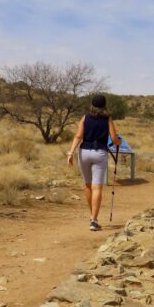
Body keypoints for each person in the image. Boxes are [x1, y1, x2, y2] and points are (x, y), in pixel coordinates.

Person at [67, 93, 122, 230]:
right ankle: (94, 220)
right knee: (97, 187)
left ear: (92, 104)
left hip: (84, 152)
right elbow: (114, 139)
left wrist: (71, 152)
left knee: (88, 185)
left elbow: (78, 136)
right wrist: (119, 142)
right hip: (100, 153)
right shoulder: (108, 119)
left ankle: (92, 216)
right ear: (104, 105)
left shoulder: (85, 118)